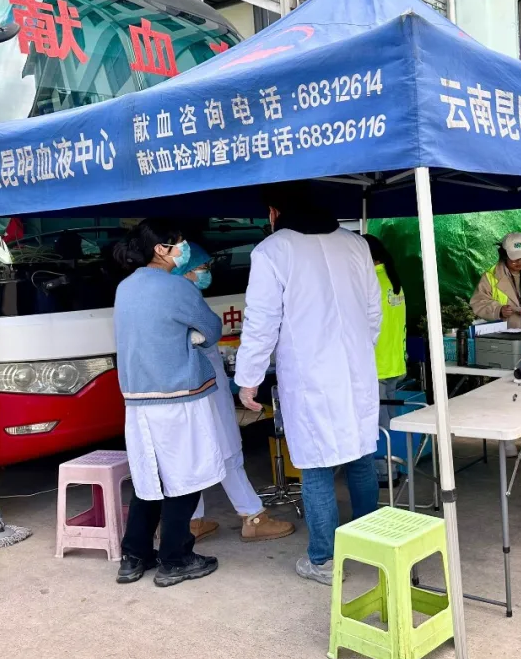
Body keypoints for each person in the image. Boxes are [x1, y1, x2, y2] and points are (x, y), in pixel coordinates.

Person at [235, 186, 382, 586]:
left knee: (316, 466)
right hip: (355, 371)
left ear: (274, 211)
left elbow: (262, 322)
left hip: (310, 374)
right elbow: (373, 310)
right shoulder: (355, 244)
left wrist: (248, 379)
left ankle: (323, 559)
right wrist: (357, 351)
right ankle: (371, 546)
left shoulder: (272, 251)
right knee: (360, 456)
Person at [111, 219, 225, 588]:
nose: (184, 248)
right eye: (179, 243)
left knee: (149, 479)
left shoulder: (126, 287)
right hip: (177, 398)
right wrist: (192, 337)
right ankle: (175, 559)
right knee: (186, 477)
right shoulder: (177, 287)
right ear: (161, 249)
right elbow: (212, 328)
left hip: (137, 400)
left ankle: (134, 556)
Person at [170, 243, 295, 543]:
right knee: (227, 450)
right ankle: (253, 517)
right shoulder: (185, 298)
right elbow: (212, 329)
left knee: (191, 453)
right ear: (185, 270)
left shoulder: (162, 297)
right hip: (205, 388)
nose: (206, 273)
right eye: (202, 268)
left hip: (183, 389)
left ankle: (190, 522)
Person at [363, 234, 407, 457]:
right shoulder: (392, 281)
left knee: (378, 428)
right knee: (391, 423)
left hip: (377, 365)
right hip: (395, 363)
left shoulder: (370, 284)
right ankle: (395, 466)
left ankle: (383, 471)